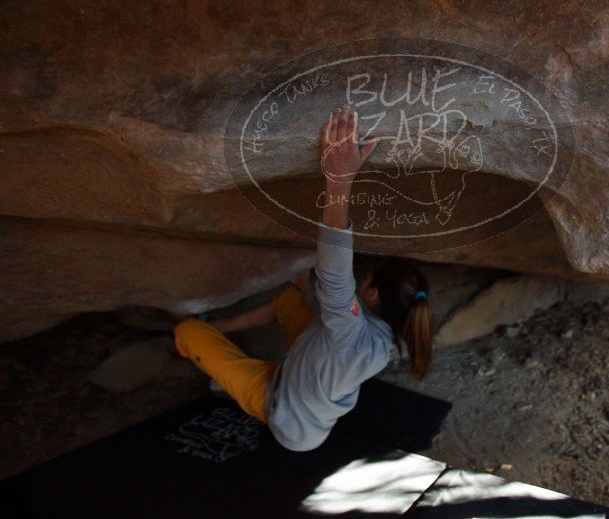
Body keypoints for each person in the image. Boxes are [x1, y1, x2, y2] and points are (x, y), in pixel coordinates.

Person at [173, 106, 434, 451]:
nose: (360, 282)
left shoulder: (352, 331)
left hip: (284, 413)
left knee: (186, 332)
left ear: (371, 296)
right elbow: (338, 309)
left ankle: (209, 347)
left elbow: (335, 271)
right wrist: (311, 292)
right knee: (294, 300)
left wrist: (339, 178)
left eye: (365, 280)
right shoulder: (377, 338)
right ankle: (220, 328)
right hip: (309, 371)